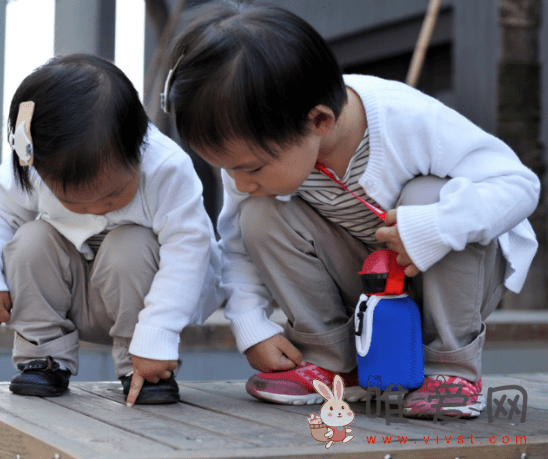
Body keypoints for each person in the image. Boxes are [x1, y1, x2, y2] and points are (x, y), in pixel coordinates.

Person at [160, 1, 540, 418]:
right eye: (227, 168)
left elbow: (519, 184)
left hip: (453, 283)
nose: (239, 181)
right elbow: (237, 246)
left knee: (429, 194)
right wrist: (251, 324)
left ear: (319, 121)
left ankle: (451, 370)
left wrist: (437, 227)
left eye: (250, 167)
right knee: (258, 214)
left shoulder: (406, 119)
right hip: (366, 279)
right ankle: (333, 363)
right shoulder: (261, 153)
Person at [0, 53, 223, 406]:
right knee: (30, 239)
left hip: (143, 303)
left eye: (114, 194)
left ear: (139, 144)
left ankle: (140, 367)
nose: (97, 208)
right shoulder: (33, 166)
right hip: (70, 297)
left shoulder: (166, 169)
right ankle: (43, 357)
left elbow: (189, 251)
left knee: (130, 243)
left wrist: (158, 335)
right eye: (75, 201)